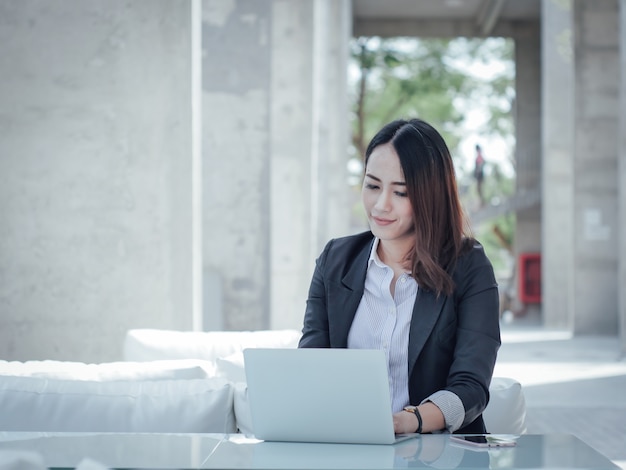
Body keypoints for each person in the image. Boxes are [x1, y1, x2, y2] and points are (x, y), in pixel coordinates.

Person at [299, 118, 500, 435]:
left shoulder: (469, 267)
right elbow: (310, 367)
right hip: (350, 447)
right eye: (373, 185)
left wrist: (410, 421)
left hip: (440, 453)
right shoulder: (335, 261)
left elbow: (471, 388)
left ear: (431, 195)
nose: (381, 205)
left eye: (401, 192)